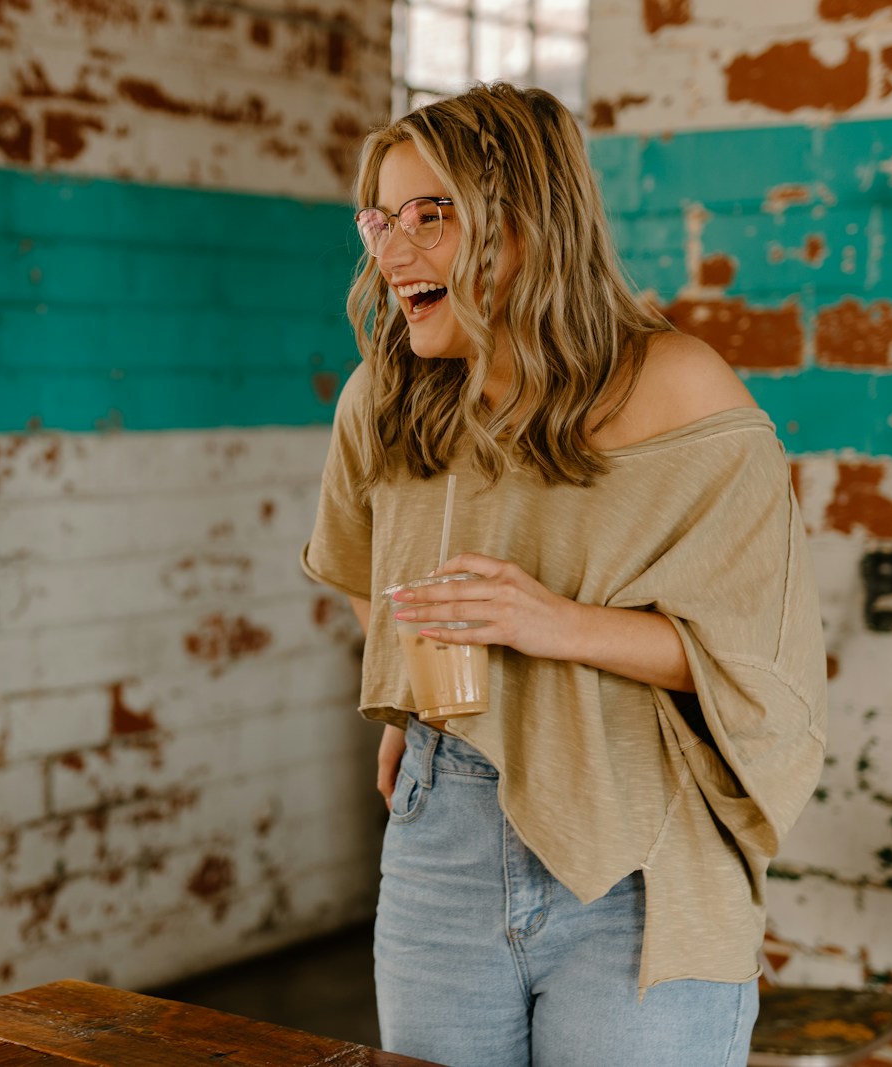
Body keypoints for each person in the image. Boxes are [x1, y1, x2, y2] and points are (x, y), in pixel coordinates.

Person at [301, 82, 827, 1067]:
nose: (394, 251)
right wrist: (402, 701)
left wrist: (552, 622)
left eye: (433, 214)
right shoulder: (386, 395)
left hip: (635, 833)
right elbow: (360, 564)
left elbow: (760, 653)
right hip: (439, 823)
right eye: (385, 217)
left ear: (527, 221)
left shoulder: (676, 386)